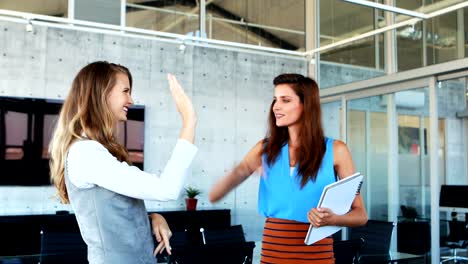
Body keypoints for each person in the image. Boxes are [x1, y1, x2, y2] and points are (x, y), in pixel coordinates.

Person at [209, 73, 367, 264]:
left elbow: (360, 215)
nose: (276, 106)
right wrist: (240, 171)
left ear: (306, 105)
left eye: (285, 100)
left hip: (317, 258)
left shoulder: (336, 150)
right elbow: (214, 195)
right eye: (275, 100)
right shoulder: (265, 149)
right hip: (272, 257)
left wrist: (333, 219)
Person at [49, 61, 198, 264]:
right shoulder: (85, 153)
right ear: (102, 93)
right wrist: (189, 120)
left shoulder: (95, 151)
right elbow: (167, 189)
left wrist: (152, 217)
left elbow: (116, 211)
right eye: (125, 91)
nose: (131, 99)